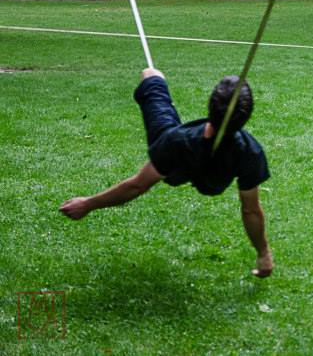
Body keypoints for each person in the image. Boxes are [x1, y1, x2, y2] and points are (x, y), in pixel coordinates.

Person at [59, 68, 274, 278]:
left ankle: (153, 77)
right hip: (213, 181)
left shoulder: (177, 142)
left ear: (210, 105)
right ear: (247, 116)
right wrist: (263, 253)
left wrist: (88, 204)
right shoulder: (250, 152)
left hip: (175, 160)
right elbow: (250, 210)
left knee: (151, 75)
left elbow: (137, 185)